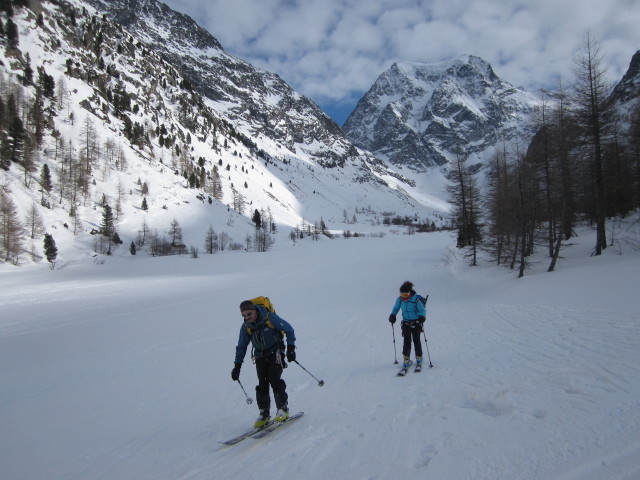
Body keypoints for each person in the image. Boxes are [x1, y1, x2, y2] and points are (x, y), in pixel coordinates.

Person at [232, 300, 296, 428]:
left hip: (275, 352)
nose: (247, 317)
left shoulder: (269, 318)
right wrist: (237, 366)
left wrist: (290, 348)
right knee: (262, 383)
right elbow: (241, 346)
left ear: (255, 310)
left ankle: (283, 409)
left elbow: (289, 329)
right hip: (260, 356)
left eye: (249, 314)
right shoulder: (246, 327)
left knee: (274, 379)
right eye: (244, 316)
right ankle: (264, 413)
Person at [388, 281, 426, 369]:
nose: (404, 297)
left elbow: (422, 309)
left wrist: (422, 317)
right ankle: (406, 359)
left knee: (416, 340)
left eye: (406, 295)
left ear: (410, 293)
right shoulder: (400, 299)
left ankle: (419, 358)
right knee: (407, 341)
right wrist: (393, 315)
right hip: (406, 322)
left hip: (416, 322)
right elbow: (396, 308)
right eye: (402, 295)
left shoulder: (415, 299)